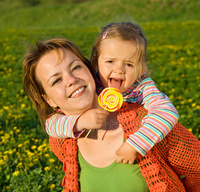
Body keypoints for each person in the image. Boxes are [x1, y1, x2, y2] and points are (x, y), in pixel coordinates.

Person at [22, 38, 200, 192]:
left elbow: (197, 165)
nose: (71, 80)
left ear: (90, 69)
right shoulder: (63, 142)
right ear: (49, 99)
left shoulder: (148, 124)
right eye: (56, 80)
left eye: (75, 67)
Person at [45, 22, 179, 164]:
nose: (119, 69)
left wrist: (136, 143)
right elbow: (51, 125)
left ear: (140, 70)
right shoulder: (91, 85)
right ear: (96, 62)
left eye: (129, 64)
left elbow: (167, 112)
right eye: (110, 61)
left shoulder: (142, 88)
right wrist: (80, 122)